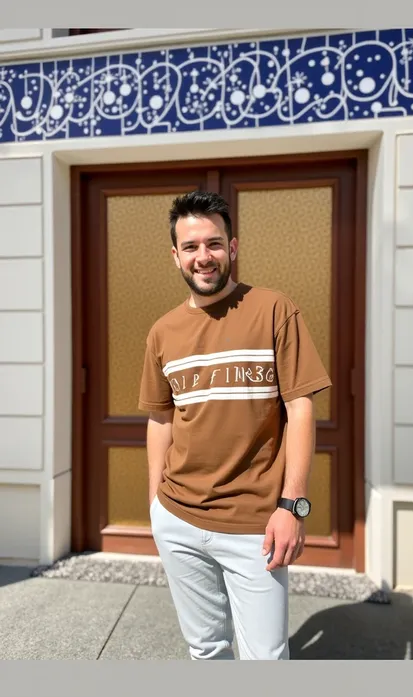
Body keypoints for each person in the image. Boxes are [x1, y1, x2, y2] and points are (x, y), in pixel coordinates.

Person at [138, 190, 331, 660]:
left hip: (255, 524)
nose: (203, 256)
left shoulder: (273, 309)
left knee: (265, 658)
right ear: (176, 256)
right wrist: (155, 506)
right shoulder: (162, 332)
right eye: (191, 246)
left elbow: (300, 408)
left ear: (233, 247)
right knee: (206, 648)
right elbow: (161, 419)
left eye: (214, 243)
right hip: (178, 518)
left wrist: (292, 506)